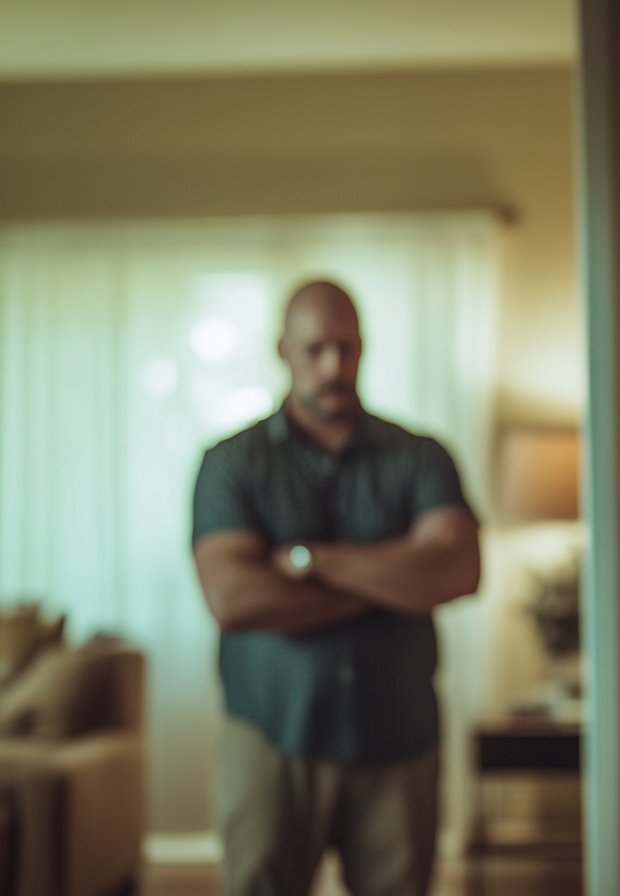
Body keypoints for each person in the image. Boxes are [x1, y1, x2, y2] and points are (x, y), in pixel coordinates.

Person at [191, 280, 481, 896]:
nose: (333, 366)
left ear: (363, 347)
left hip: (398, 738)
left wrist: (307, 558)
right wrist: (393, 581)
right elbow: (234, 599)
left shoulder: (422, 457)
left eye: (346, 348)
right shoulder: (230, 463)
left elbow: (457, 570)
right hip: (269, 738)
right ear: (282, 349)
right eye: (315, 349)